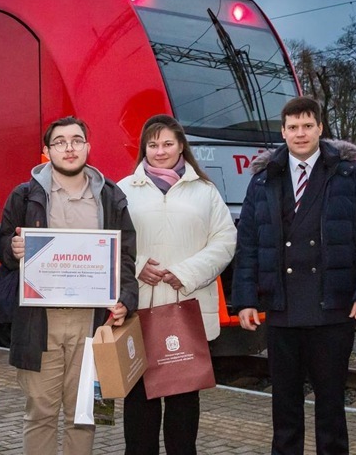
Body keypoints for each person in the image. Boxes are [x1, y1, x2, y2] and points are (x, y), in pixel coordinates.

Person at [231, 96, 356, 455]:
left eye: (307, 126)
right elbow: (249, 244)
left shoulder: (351, 175)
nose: (300, 134)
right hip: (283, 309)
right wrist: (245, 299)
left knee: (331, 407)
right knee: (284, 409)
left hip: (333, 308)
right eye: (292, 127)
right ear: (283, 132)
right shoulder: (264, 179)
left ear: (320, 128)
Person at [0, 116, 138, 455]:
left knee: (85, 413)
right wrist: (12, 249)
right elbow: (1, 244)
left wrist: (126, 299)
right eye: (60, 142)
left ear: (88, 147)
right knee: (41, 413)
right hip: (40, 321)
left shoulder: (110, 196)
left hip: (92, 323)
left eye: (77, 140)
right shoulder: (25, 194)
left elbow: (126, 255)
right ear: (47, 151)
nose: (69, 147)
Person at [118, 114, 237, 455]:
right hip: (139, 308)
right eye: (153, 145)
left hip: (187, 308)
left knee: (184, 400)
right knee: (139, 400)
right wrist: (139, 266)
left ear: (181, 145)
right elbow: (112, 241)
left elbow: (225, 241)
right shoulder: (124, 188)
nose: (160, 151)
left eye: (168, 143)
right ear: (144, 148)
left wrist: (185, 272)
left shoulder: (206, 191)